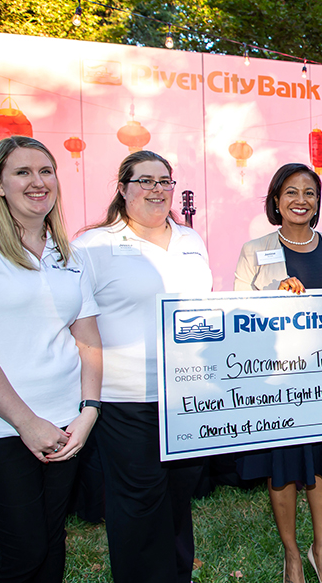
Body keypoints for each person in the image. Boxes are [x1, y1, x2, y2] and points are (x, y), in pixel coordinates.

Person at [0, 136, 102, 582]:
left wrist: (89, 411)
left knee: (52, 543)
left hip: (65, 426)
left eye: (46, 171)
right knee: (25, 549)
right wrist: (26, 421)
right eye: (23, 172)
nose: (38, 182)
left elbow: (88, 340)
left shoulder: (66, 252)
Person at [73, 151, 213, 583]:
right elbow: (77, 323)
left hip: (188, 395)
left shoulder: (191, 240)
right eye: (145, 181)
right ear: (122, 188)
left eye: (165, 181)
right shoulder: (92, 246)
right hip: (126, 397)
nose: (157, 190)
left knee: (176, 496)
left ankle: (176, 575)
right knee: (137, 504)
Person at [233, 163, 322, 583]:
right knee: (285, 468)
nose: (300, 200)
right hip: (277, 383)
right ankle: (292, 555)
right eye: (291, 192)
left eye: (309, 193)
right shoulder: (254, 251)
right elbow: (237, 313)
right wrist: (273, 297)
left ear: (317, 202)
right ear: (276, 200)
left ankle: (320, 552)